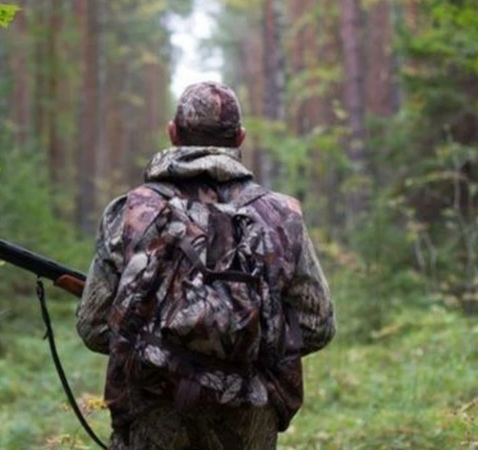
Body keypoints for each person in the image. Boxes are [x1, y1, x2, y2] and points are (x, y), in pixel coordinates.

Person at [76, 81, 335, 450]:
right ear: (240, 138)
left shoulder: (131, 211)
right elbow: (317, 325)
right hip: (251, 413)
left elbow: (94, 327)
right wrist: (244, 351)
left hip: (154, 411)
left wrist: (161, 352)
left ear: (173, 133)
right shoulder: (281, 214)